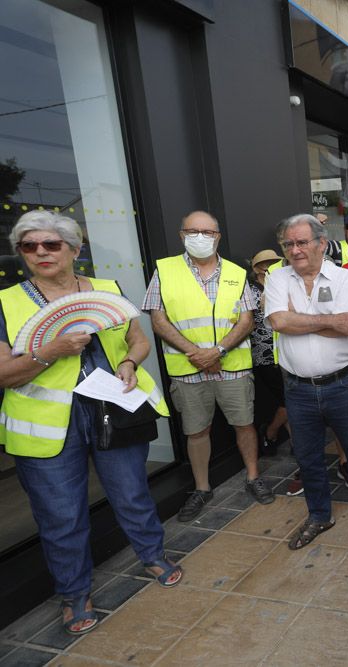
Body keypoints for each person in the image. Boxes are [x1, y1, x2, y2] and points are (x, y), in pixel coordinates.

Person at [0, 211, 180, 636]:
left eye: (50, 244)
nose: (40, 252)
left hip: (110, 408)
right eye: (29, 246)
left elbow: (137, 338)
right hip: (46, 427)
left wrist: (130, 361)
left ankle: (153, 554)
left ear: (74, 250)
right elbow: (4, 374)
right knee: (60, 515)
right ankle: (75, 594)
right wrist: (53, 349)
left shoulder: (106, 290)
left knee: (132, 491)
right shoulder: (7, 301)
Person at [143, 211, 272, 521]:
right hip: (188, 369)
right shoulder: (165, 270)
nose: (200, 237)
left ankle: (253, 477)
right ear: (181, 235)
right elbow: (157, 319)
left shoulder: (235, 272)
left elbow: (246, 320)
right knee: (196, 431)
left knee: (244, 424)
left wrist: (216, 351)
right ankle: (202, 488)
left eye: (207, 232)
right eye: (193, 231)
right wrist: (196, 353)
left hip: (232, 366)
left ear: (218, 237)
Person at [264, 214, 348, 548]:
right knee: (308, 456)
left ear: (320, 243)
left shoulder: (344, 278)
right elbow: (277, 321)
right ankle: (319, 515)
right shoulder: (277, 278)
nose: (295, 249)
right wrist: (326, 320)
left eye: (302, 242)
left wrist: (296, 320)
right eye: (289, 244)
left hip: (343, 383)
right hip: (298, 388)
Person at [248, 249, 287, 457]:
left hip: (285, 352)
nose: (271, 268)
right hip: (264, 355)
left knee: (289, 398)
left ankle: (295, 445)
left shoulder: (279, 285)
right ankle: (270, 431)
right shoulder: (251, 290)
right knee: (288, 400)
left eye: (274, 264)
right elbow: (246, 320)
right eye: (268, 265)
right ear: (259, 269)